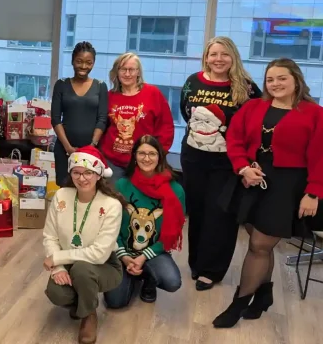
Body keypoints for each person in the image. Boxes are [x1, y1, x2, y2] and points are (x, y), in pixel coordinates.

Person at [214, 59, 323, 328]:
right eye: (270, 79)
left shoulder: (315, 113)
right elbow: (234, 138)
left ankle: (239, 303)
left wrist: (313, 193)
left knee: (259, 245)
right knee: (259, 241)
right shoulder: (254, 106)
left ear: (296, 79)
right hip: (252, 180)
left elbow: (321, 156)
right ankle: (263, 296)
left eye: (281, 78)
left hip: (288, 186)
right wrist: (242, 168)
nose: (275, 84)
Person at [180, 36, 260, 291]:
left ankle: (211, 270)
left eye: (224, 54)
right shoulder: (193, 81)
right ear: (206, 57)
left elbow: (257, 124)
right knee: (198, 212)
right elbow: (185, 112)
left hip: (228, 163)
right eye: (213, 54)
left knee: (221, 214)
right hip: (193, 158)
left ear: (233, 57)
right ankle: (196, 262)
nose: (218, 59)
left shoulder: (246, 87)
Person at [43, 146, 123, 344]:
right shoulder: (61, 196)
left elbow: (99, 254)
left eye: (88, 172)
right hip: (69, 262)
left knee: (82, 269)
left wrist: (58, 259)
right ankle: (83, 301)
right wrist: (59, 268)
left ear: (98, 175)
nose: (82, 178)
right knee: (56, 293)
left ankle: (88, 314)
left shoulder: (112, 205)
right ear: (70, 173)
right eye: (77, 172)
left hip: (104, 265)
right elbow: (50, 236)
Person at [104, 135, 185, 309]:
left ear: (160, 156)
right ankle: (133, 275)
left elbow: (171, 233)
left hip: (153, 251)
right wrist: (124, 256)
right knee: (115, 302)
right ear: (134, 156)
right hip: (123, 250)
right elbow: (111, 227)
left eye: (152, 154)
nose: (146, 158)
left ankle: (148, 279)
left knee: (172, 281)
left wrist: (142, 257)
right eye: (141, 153)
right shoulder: (121, 185)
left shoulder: (176, 190)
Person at [99, 53, 174, 179]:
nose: (127, 74)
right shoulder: (109, 96)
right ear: (117, 72)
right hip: (112, 163)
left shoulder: (153, 94)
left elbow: (166, 127)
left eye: (131, 70)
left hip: (144, 163)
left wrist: (157, 155)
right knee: (114, 197)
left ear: (138, 72)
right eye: (123, 69)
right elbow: (101, 125)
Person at [51, 42, 108, 187]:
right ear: (72, 61)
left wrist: (92, 146)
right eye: (79, 61)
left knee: (88, 191)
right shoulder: (61, 84)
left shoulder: (101, 86)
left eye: (89, 63)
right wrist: (68, 148)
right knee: (66, 192)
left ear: (93, 64)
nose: (83, 66)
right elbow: (56, 119)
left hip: (92, 150)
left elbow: (102, 119)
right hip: (64, 151)